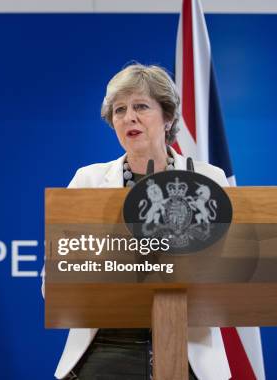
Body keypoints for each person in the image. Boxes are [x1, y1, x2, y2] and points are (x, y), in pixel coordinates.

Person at [47, 64, 232, 380]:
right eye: (119, 110)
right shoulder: (88, 180)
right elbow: (53, 281)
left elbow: (234, 270)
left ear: (168, 117)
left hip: (190, 353)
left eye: (141, 107)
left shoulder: (209, 180)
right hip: (107, 348)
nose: (128, 117)